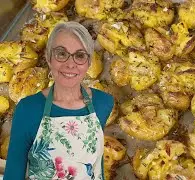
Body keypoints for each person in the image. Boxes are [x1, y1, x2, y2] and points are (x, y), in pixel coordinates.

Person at [4, 21, 114, 179]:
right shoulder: (28, 108)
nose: (70, 64)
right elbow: (13, 175)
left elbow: (97, 169)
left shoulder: (104, 102)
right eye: (61, 54)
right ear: (49, 58)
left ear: (89, 62)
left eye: (80, 55)